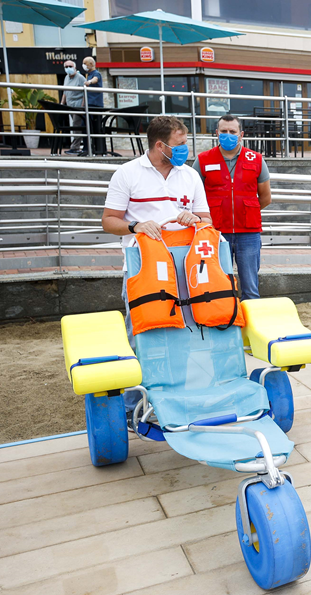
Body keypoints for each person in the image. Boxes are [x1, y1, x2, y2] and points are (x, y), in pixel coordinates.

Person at [101, 115, 211, 412]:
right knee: (141, 331)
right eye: (180, 144)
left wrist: (195, 219)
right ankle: (133, 405)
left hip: (184, 266)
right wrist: (135, 226)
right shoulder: (127, 174)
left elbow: (208, 220)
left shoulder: (189, 175)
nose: (184, 150)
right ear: (160, 145)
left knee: (183, 329)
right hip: (143, 266)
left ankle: (178, 397)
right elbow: (109, 221)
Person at [192, 115, 271, 300]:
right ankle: (224, 323)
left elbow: (266, 197)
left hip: (249, 234)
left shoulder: (256, 159)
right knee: (219, 286)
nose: (228, 135)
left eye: (232, 132)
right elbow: (194, 196)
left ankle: (251, 326)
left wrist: (247, 212)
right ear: (217, 133)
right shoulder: (203, 160)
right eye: (224, 131)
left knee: (250, 288)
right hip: (216, 233)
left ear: (241, 134)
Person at [60, 60, 86, 155]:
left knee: (76, 126)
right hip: (70, 105)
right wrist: (62, 103)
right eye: (66, 66)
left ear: (74, 67)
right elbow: (65, 92)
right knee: (75, 126)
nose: (68, 68)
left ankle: (75, 147)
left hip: (78, 106)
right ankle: (75, 146)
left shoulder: (80, 78)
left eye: (70, 66)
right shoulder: (66, 78)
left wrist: (82, 106)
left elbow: (85, 92)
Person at [82, 57, 105, 155]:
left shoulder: (96, 74)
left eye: (85, 63)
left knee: (96, 128)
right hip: (89, 105)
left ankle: (98, 149)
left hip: (95, 105)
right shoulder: (89, 75)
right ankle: (87, 149)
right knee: (86, 127)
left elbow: (95, 79)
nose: (84, 65)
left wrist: (89, 82)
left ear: (91, 63)